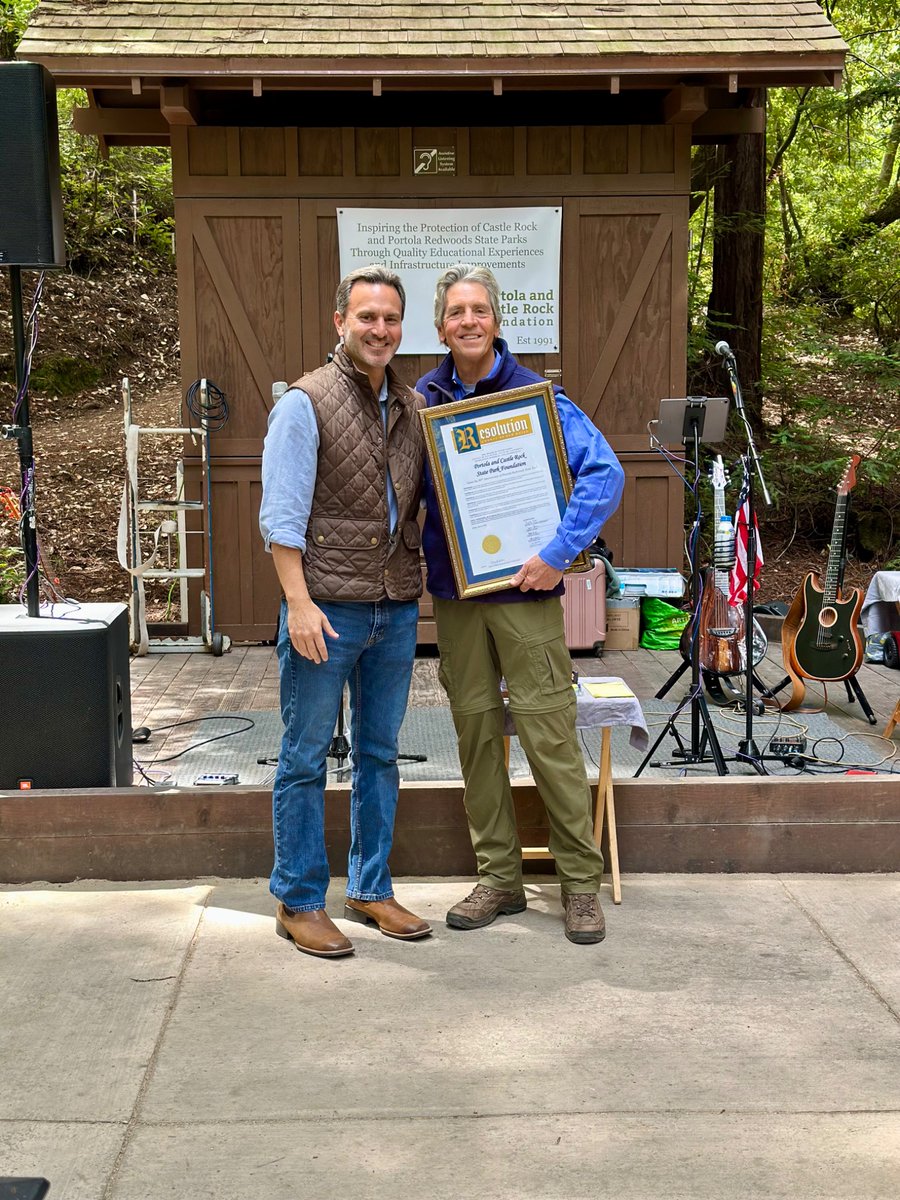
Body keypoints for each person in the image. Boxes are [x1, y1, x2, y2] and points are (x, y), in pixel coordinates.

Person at [416, 264, 625, 945]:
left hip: (527, 593)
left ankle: (579, 887)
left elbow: (605, 472)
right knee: (476, 738)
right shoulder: (424, 401)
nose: (469, 321)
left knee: (548, 736)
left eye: (480, 309)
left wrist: (559, 553)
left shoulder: (536, 397)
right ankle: (500, 879)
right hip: (457, 595)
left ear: (497, 320)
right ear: (440, 325)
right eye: (456, 312)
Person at [259, 265, 431, 958]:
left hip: (393, 609)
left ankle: (369, 886)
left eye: (390, 319)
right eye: (367, 317)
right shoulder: (305, 403)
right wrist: (297, 602)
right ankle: (298, 900)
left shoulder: (412, 406)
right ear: (341, 321)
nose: (380, 329)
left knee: (380, 756)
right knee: (303, 758)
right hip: (326, 610)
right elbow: (281, 518)